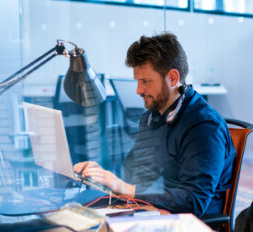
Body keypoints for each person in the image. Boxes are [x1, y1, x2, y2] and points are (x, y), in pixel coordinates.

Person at [74, 32, 235, 217]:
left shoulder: (204, 126)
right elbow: (135, 175)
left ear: (173, 78)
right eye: (138, 81)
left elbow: (194, 201)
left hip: (190, 223)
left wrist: (125, 188)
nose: (138, 90)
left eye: (146, 81)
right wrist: (102, 175)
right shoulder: (153, 117)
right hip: (157, 212)